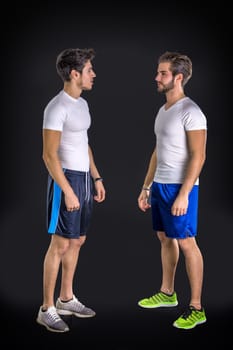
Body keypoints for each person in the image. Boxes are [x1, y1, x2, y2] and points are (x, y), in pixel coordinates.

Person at [36, 48, 106, 333]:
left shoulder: (82, 104)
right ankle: (46, 308)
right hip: (64, 179)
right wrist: (67, 190)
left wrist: (97, 177)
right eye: (89, 70)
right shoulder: (56, 107)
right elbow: (49, 155)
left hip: (84, 179)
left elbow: (83, 143)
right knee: (60, 244)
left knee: (77, 241)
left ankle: (66, 298)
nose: (93, 75)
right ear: (75, 74)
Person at [137, 51, 207, 330]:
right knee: (165, 237)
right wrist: (146, 186)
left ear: (178, 77)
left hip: (181, 186)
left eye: (163, 73)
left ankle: (197, 308)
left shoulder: (191, 111)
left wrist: (184, 194)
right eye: (158, 72)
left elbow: (198, 156)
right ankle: (167, 293)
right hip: (161, 185)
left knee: (187, 242)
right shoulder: (163, 110)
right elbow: (158, 151)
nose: (157, 77)